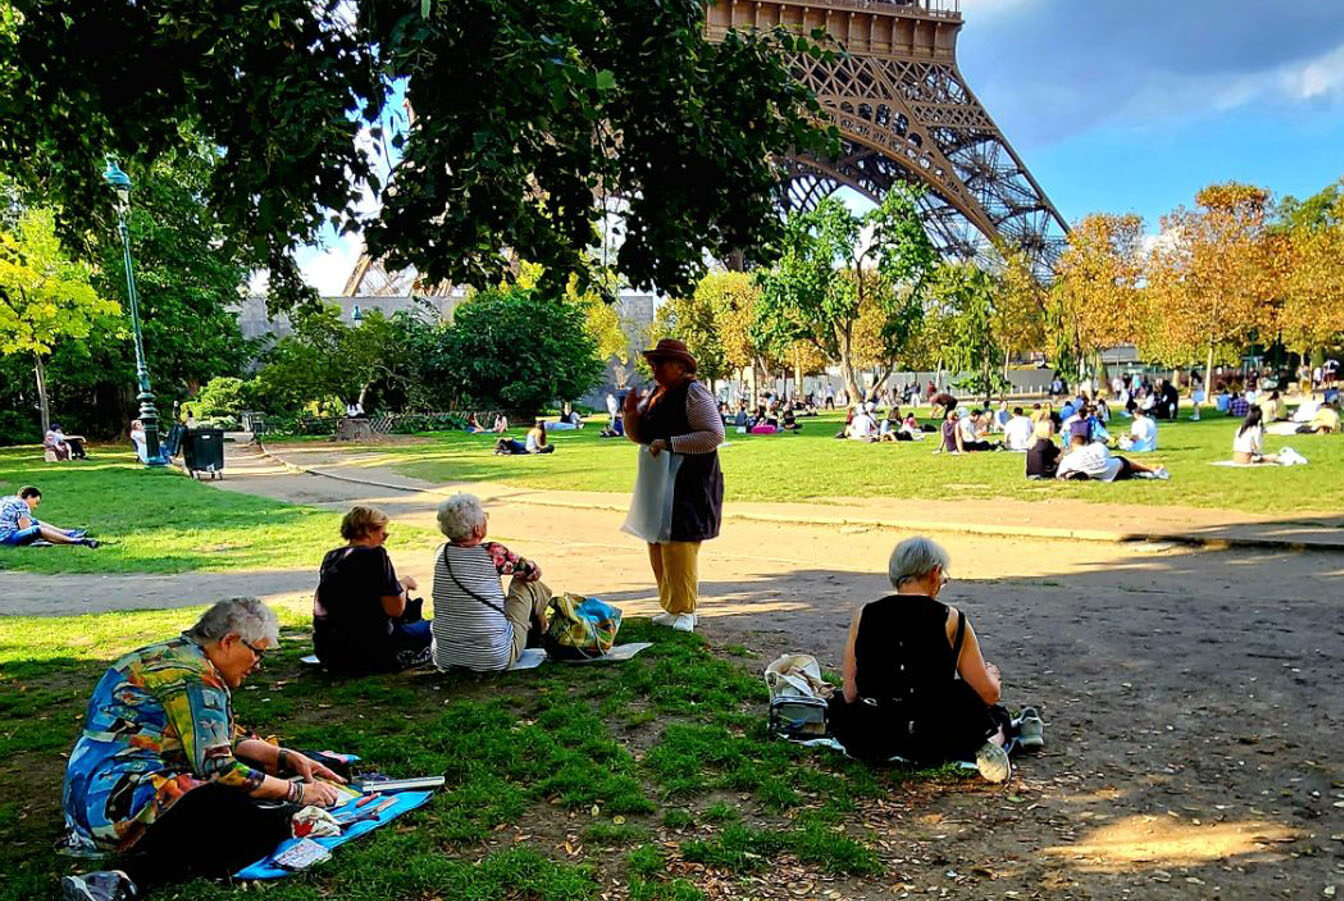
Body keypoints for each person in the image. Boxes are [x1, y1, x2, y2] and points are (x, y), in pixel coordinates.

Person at [59, 598, 345, 900]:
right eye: (257, 652)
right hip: (118, 805)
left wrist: (283, 756)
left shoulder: (170, 656)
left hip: (87, 799)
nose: (258, 665)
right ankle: (124, 880)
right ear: (230, 641)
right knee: (227, 808)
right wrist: (297, 793)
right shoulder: (197, 678)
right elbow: (220, 769)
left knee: (245, 791)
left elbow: (212, 736)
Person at [827, 536, 1038, 782]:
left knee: (844, 704)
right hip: (931, 738)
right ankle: (988, 743)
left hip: (872, 735)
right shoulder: (951, 619)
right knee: (990, 710)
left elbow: (851, 693)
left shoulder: (864, 614)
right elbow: (988, 694)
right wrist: (993, 678)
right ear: (935, 573)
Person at [623, 339, 725, 633]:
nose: (654, 368)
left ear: (681, 366)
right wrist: (631, 414)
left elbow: (713, 434)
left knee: (679, 544)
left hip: (688, 483)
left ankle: (685, 609)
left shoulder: (693, 393)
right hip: (659, 482)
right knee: (656, 540)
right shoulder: (659, 394)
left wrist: (671, 443)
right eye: (653, 363)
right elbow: (641, 435)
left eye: (661, 362)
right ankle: (670, 605)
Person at [430, 493, 552, 671]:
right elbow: (533, 572)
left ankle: (530, 630)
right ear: (478, 529)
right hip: (494, 658)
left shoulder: (441, 553)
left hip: (446, 657)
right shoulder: (493, 553)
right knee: (526, 583)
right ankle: (541, 631)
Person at [312, 506, 431, 674]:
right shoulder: (376, 556)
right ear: (368, 531)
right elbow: (396, 609)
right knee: (436, 628)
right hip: (371, 654)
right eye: (383, 534)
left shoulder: (332, 557)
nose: (384, 539)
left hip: (330, 654)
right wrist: (403, 586)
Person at [0, 486, 97, 548]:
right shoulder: (22, 505)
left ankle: (67, 533)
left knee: (33, 521)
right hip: (7, 538)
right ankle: (76, 541)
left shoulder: (8, 499)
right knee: (37, 529)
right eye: (36, 502)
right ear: (29, 497)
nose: (35, 506)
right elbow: (26, 529)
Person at [1056, 434, 1168, 481]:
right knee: (1120, 461)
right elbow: (1108, 456)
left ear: (1072, 446)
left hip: (1083, 470)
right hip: (1105, 469)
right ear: (1086, 443)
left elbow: (1059, 474)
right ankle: (1148, 468)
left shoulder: (1069, 458)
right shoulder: (1097, 446)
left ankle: (1085, 475)